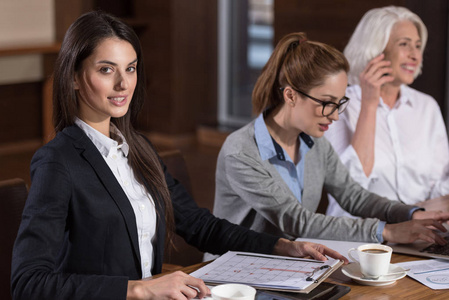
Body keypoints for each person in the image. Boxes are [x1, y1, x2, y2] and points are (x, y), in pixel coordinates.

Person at [10, 11, 347, 300]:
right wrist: (141, 289)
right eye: (106, 70)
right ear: (73, 78)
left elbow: (200, 225)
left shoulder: (138, 148)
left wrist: (283, 246)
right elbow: (29, 283)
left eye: (130, 69)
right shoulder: (58, 161)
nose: (123, 84)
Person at [211, 31, 449, 248]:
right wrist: (386, 231)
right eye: (327, 103)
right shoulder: (241, 152)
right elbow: (297, 221)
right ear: (291, 95)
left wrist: (410, 214)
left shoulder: (315, 143)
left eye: (339, 103)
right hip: (234, 278)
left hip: (292, 265)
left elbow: (353, 196)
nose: (335, 115)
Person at [324, 6, 449, 218]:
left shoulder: (426, 107)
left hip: (417, 232)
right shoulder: (339, 105)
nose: (414, 55)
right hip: (357, 236)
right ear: (375, 50)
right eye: (404, 44)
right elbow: (348, 189)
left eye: (418, 46)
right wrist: (370, 104)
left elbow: (440, 184)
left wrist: (415, 219)